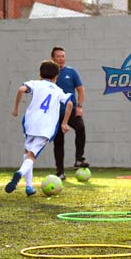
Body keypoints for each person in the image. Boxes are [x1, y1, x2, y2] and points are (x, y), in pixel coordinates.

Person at [5, 60, 73, 195]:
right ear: (56, 76)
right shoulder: (58, 90)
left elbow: (21, 89)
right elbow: (69, 104)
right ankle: (19, 173)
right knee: (32, 155)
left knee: (27, 152)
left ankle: (29, 187)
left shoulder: (35, 83)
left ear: (40, 74)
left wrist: (15, 109)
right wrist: (64, 123)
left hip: (30, 123)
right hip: (45, 127)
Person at [51, 46, 89, 181]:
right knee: (58, 142)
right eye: (58, 56)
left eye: (63, 56)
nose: (61, 58)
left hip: (71, 110)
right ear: (53, 58)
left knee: (81, 127)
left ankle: (79, 159)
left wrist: (79, 106)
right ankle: (60, 172)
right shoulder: (50, 74)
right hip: (55, 114)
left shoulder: (71, 72)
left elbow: (80, 90)